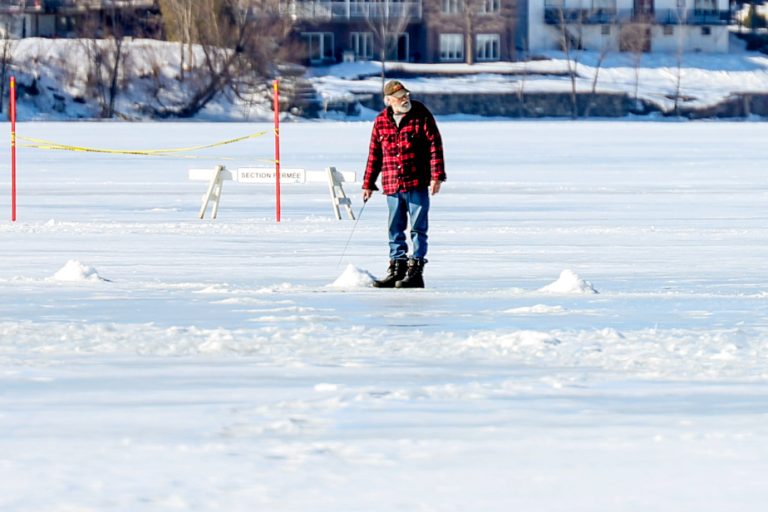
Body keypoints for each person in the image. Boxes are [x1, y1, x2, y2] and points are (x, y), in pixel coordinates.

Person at [362, 80, 446, 289]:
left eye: (406, 95)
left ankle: (415, 272)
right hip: (392, 184)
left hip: (417, 182)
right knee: (395, 229)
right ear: (389, 100)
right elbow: (375, 155)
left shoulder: (421, 115)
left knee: (418, 228)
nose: (405, 99)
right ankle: (396, 269)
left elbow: (435, 145)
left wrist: (437, 176)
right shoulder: (381, 121)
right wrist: (368, 183)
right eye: (400, 97)